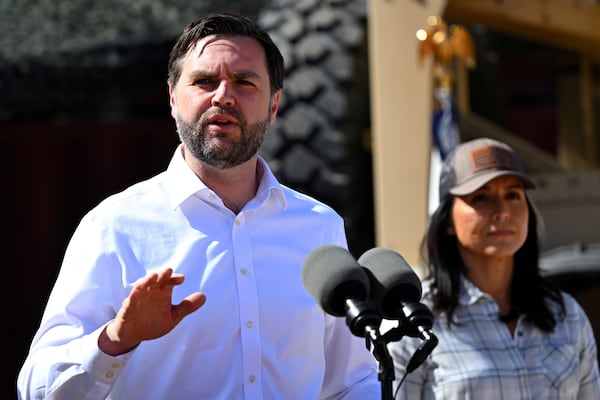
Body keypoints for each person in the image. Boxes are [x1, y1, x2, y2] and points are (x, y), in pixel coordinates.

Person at [17, 13, 380, 399]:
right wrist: (116, 340)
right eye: (204, 81)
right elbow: (36, 387)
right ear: (173, 99)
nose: (223, 96)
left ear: (274, 106)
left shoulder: (318, 227)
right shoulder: (113, 226)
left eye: (244, 82)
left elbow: (351, 383)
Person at [388, 137, 600, 399]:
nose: (502, 211)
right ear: (447, 222)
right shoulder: (415, 322)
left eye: (513, 195)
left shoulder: (566, 314)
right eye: (480, 198)